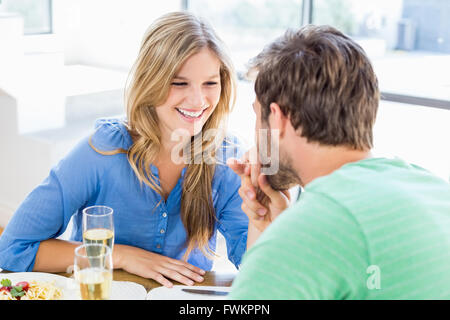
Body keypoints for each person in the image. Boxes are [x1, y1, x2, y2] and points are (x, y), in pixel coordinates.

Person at [0, 11, 249, 288]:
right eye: (179, 83)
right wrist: (119, 255)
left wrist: (272, 210)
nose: (197, 100)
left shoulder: (227, 157)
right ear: (150, 81)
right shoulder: (101, 152)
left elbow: (257, 263)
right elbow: (13, 249)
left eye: (210, 83)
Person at [228, 25, 450, 299]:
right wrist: (269, 230)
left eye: (257, 116)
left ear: (277, 118)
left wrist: (280, 242)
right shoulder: (434, 191)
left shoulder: (306, 234)